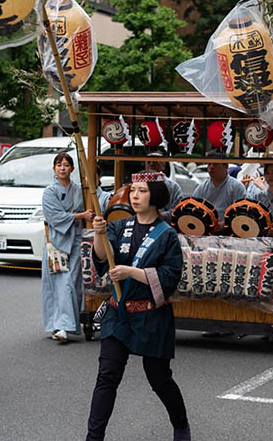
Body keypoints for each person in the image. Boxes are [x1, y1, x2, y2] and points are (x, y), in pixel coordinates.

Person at [87, 171, 190, 441]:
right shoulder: (121, 226)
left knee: (159, 378)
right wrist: (99, 234)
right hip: (119, 313)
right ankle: (93, 437)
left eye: (142, 190)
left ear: (155, 195)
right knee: (107, 376)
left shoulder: (167, 234)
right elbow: (102, 258)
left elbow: (169, 277)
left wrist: (131, 272)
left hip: (151, 315)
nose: (135, 195)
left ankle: (180, 425)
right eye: (133, 190)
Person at [42, 152, 93, 343]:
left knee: (73, 281)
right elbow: (55, 217)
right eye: (59, 164)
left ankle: (66, 324)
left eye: (66, 165)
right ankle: (61, 326)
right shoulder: (49, 192)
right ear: (54, 169)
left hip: (76, 239)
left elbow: (93, 202)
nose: (62, 168)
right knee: (60, 284)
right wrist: (80, 216)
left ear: (72, 169)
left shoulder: (79, 189)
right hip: (57, 241)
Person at [191, 150, 247, 226]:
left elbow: (241, 213)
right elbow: (194, 211)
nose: (211, 167)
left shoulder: (237, 187)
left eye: (215, 164)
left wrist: (224, 225)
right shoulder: (201, 188)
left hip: (230, 230)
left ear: (226, 166)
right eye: (209, 164)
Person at [145, 152, 183, 218]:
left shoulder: (174, 187)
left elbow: (178, 210)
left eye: (155, 162)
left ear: (163, 165)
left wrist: (160, 215)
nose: (151, 164)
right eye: (148, 162)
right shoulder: (139, 184)